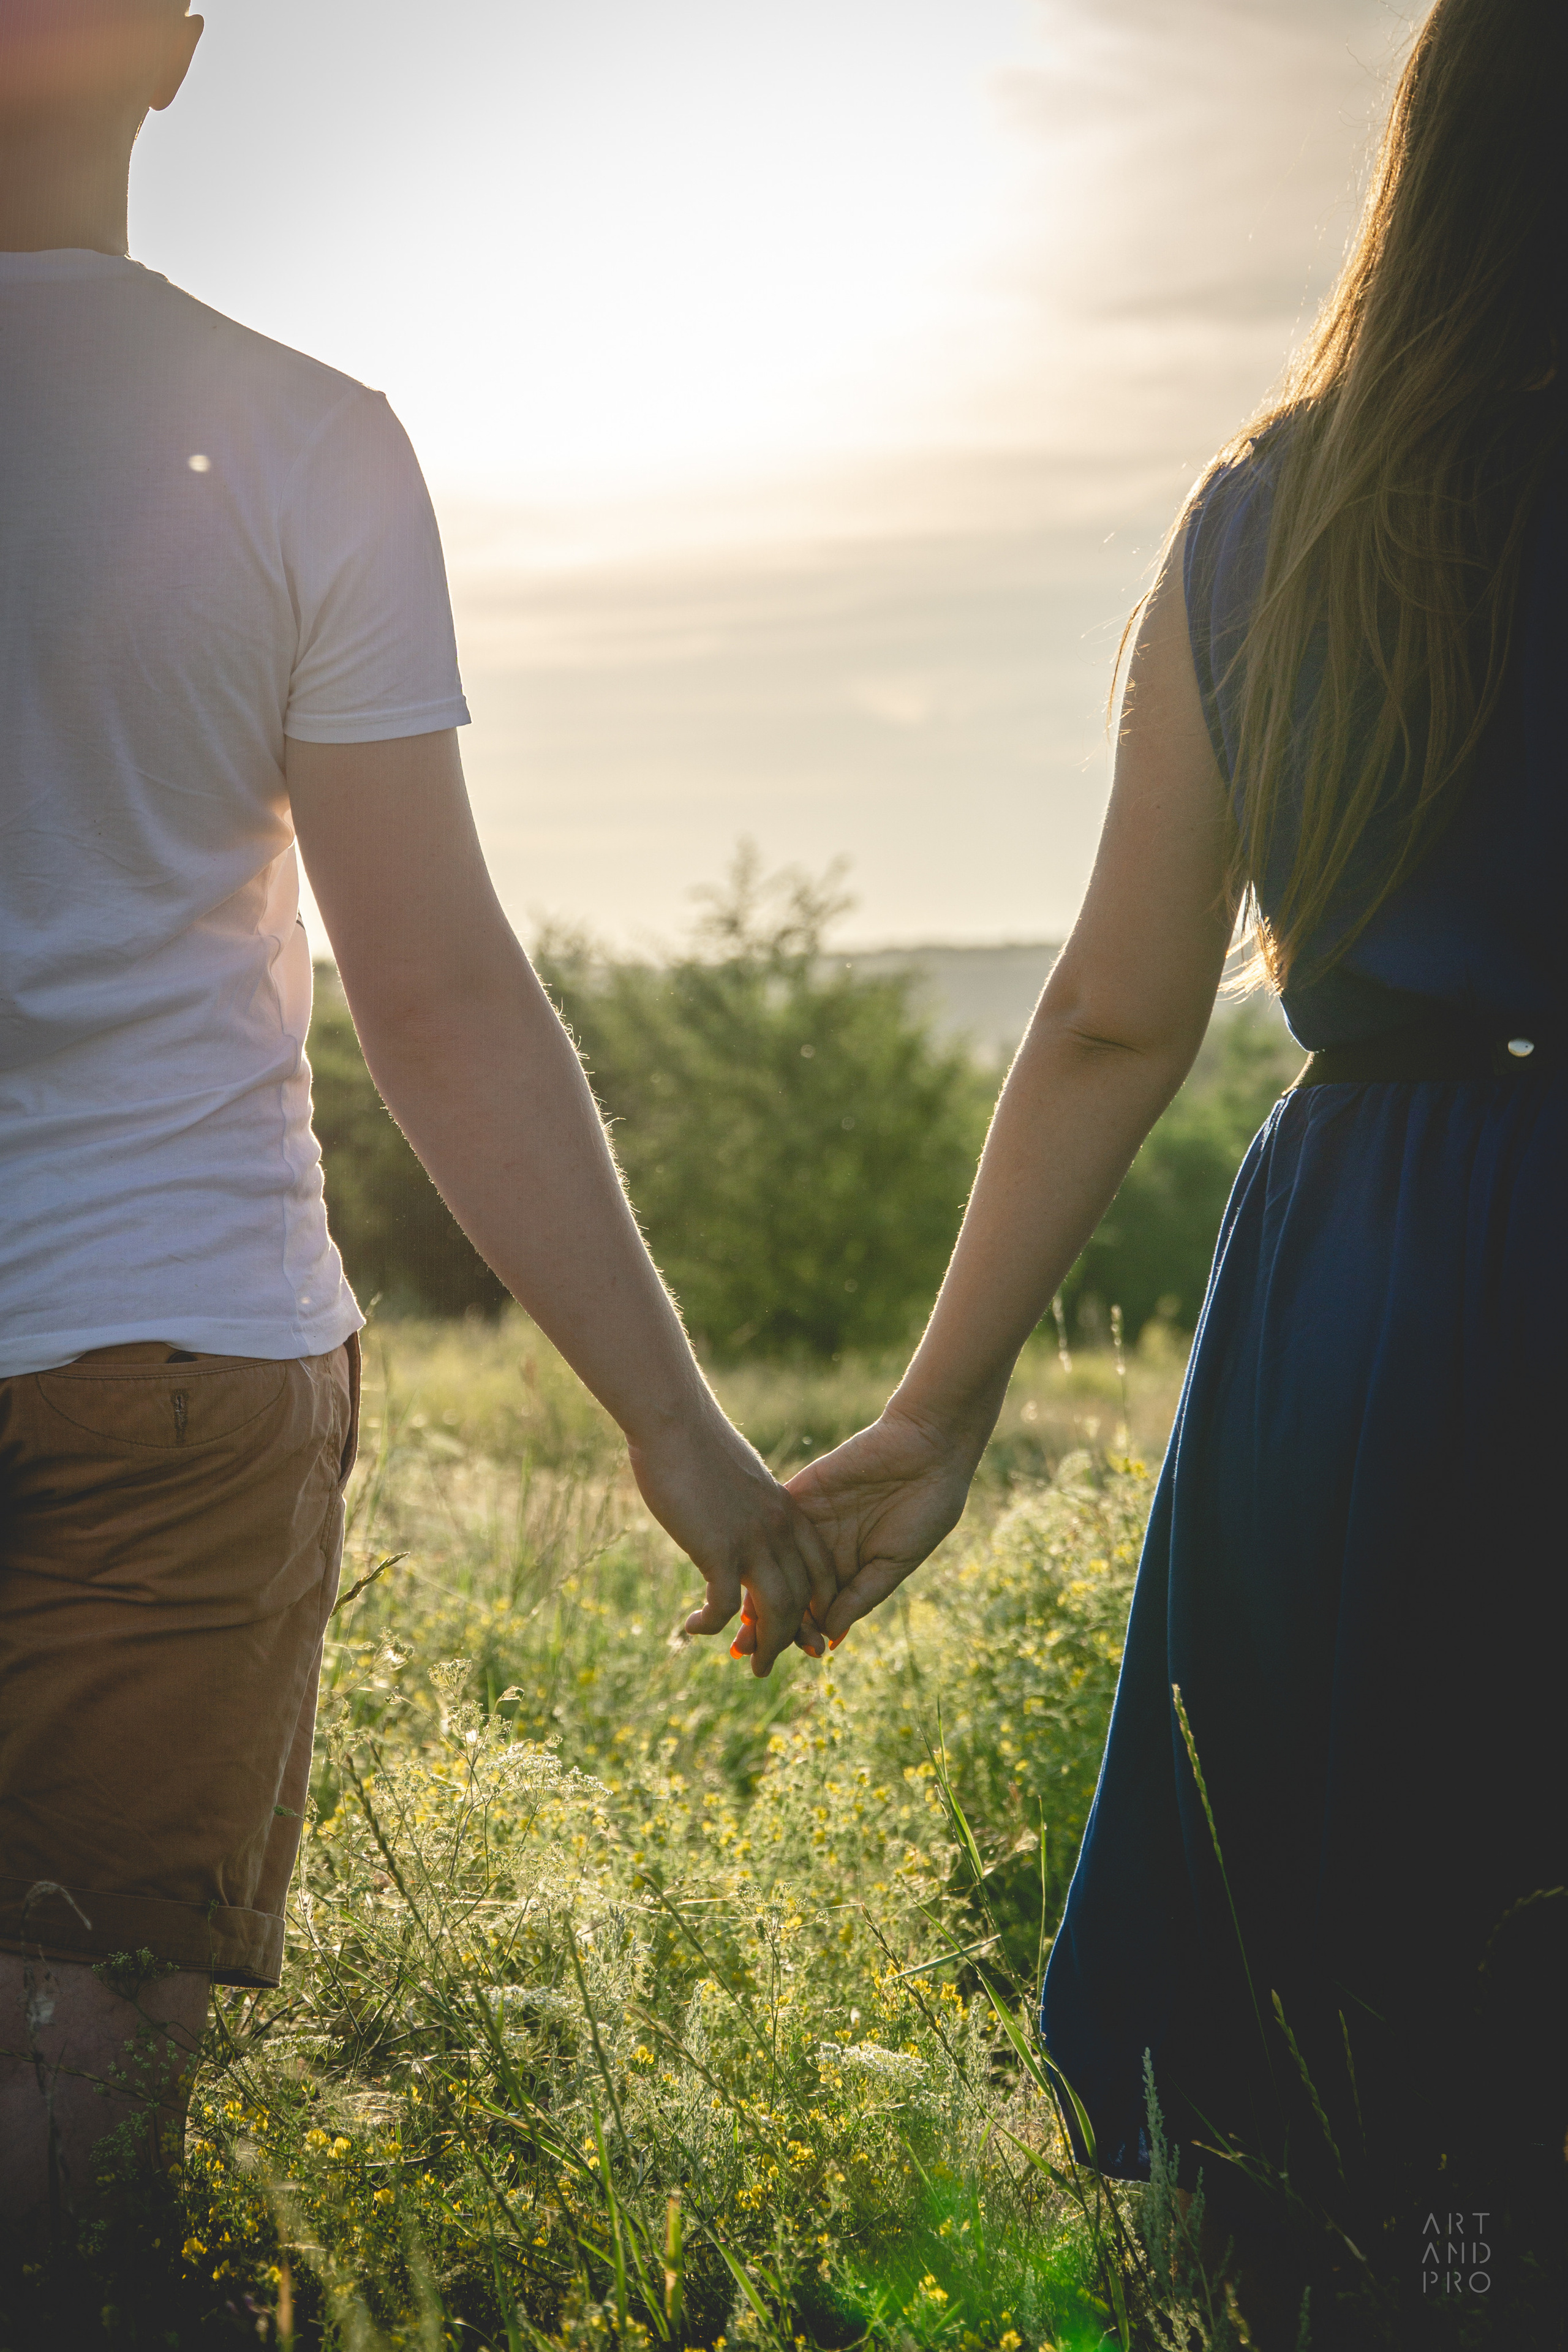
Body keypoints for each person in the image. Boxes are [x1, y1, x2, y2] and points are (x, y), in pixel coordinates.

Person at [0, 0, 834, 2248]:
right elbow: (439, 993)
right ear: (176, 51)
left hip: (175, 1357)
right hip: (173, 1352)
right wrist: (677, 1434)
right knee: (68, 2099)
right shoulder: (304, 442)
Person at [782, 0, 1565, 2332]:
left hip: (1364, 1281)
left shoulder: (1267, 519)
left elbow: (1115, 1015)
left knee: (1375, 1899)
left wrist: (938, 1409)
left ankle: (1401, 2290)